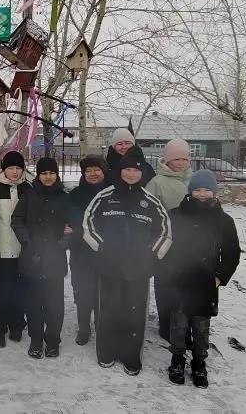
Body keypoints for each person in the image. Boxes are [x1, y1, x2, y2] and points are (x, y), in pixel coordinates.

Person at [81, 155, 172, 375]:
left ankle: (131, 355)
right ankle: (106, 351)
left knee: (135, 312)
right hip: (109, 267)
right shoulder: (104, 196)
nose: (131, 174)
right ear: (120, 171)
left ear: (141, 173)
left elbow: (165, 232)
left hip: (138, 270)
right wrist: (102, 250)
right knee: (108, 310)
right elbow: (88, 225)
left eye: (136, 170)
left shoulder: (150, 201)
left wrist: (152, 257)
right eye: (127, 170)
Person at [164, 170, 240, 388]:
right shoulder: (175, 215)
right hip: (180, 281)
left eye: (207, 190)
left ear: (214, 193)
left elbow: (232, 253)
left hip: (206, 283)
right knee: (178, 326)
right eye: (197, 189)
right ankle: (177, 360)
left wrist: (219, 277)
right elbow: (164, 246)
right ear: (190, 191)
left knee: (200, 327)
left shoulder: (224, 220)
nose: (202, 194)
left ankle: (199, 363)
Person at [11, 157, 70, 359]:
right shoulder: (29, 195)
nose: (48, 177)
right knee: (33, 303)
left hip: (54, 259)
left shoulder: (64, 197)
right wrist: (26, 241)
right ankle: (36, 340)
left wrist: (64, 242)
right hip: (32, 257)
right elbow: (17, 219)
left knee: (55, 305)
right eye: (44, 173)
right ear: (38, 175)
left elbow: (74, 226)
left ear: (56, 175)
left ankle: (53, 341)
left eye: (51, 173)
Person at [144, 138, 193, 340]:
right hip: (165, 243)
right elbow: (148, 212)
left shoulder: (194, 180)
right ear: (167, 160)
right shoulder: (157, 182)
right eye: (176, 159)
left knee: (188, 286)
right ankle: (166, 325)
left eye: (185, 158)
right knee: (165, 285)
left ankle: (185, 325)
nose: (181, 163)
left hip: (192, 245)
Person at [0, 150, 31, 348]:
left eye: (18, 168)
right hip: (3, 247)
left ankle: (17, 324)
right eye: (11, 168)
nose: (15, 172)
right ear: (4, 169)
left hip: (25, 247)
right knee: (5, 289)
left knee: (21, 288)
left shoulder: (29, 187)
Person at [67, 155, 110, 346]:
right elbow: (73, 221)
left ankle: (102, 326)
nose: (93, 174)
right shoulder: (76, 195)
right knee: (83, 291)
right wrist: (80, 231)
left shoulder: (113, 193)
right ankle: (84, 328)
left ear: (104, 171)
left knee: (103, 291)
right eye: (88, 171)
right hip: (81, 251)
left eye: (96, 170)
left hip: (106, 252)